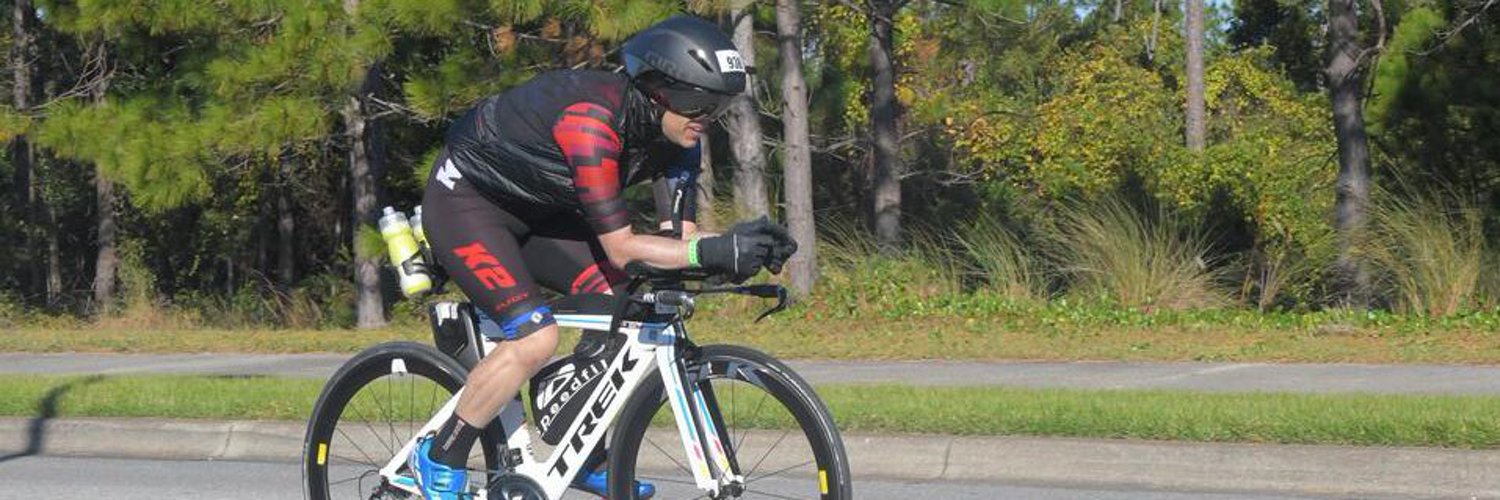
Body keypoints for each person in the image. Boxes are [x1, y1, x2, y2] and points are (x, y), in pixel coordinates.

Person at [409, 14, 798, 500]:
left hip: (540, 214)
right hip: (468, 204)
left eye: (717, 107)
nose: (706, 118)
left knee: (626, 303)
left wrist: (737, 246)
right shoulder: (590, 123)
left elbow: (679, 239)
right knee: (535, 337)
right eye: (698, 103)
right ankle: (439, 455)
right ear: (656, 91)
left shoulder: (680, 139)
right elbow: (622, 248)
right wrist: (712, 250)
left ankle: (581, 450)